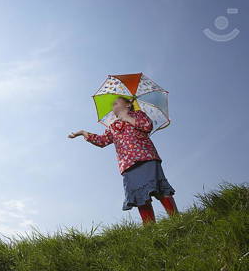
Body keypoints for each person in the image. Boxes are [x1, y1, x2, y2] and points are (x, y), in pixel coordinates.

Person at [68, 96, 178, 225]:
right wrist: (83, 133)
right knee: (140, 198)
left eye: (116, 103)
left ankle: (176, 219)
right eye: (112, 105)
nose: (113, 106)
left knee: (159, 189)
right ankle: (150, 228)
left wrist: (128, 118)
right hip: (127, 165)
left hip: (146, 157)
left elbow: (147, 126)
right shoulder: (113, 126)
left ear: (128, 105)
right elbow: (102, 141)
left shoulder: (138, 114)